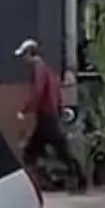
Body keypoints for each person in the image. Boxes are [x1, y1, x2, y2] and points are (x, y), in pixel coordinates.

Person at [16, 37, 84, 190]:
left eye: (24, 55)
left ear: (30, 53)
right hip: (49, 115)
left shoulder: (39, 69)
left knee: (44, 151)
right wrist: (58, 110)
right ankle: (55, 178)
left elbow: (38, 91)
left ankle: (72, 178)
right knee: (43, 150)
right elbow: (57, 93)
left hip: (46, 116)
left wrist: (25, 110)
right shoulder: (47, 69)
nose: (23, 59)